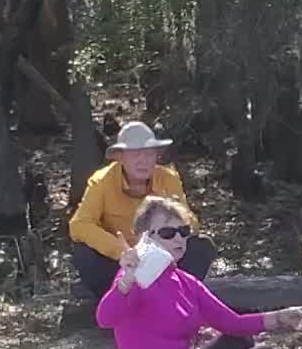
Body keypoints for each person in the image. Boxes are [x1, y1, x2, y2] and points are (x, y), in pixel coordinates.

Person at [97, 197, 302, 349]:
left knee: (239, 340)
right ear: (145, 238)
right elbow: (105, 318)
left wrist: (281, 317)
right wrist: (127, 280)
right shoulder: (135, 277)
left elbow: (233, 322)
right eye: (168, 232)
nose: (179, 238)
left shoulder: (184, 280)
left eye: (183, 231)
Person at [70, 121, 218, 298]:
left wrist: (166, 239)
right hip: (120, 263)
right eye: (135, 155)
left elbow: (189, 222)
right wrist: (121, 251)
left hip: (162, 258)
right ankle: (117, 301)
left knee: (201, 246)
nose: (143, 161)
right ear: (120, 157)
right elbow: (79, 225)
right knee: (83, 252)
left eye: (149, 154)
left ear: (157, 156)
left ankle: (176, 298)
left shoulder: (168, 178)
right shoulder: (101, 182)